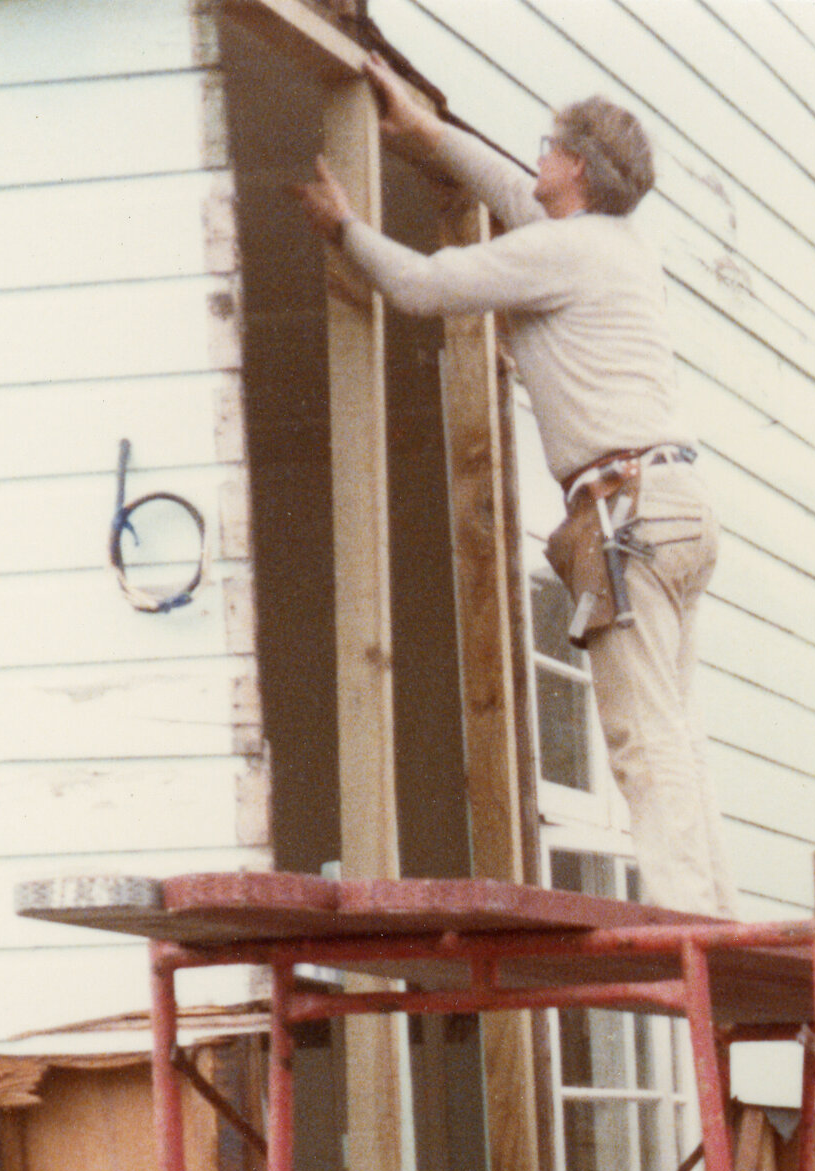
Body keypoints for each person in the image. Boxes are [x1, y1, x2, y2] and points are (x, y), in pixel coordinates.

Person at [295, 56, 737, 917]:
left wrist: (346, 227)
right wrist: (425, 134)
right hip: (674, 508)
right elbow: (510, 188)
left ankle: (696, 933)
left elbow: (423, 286)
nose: (535, 161)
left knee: (642, 739)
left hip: (630, 514)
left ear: (574, 167)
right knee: (674, 730)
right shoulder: (611, 244)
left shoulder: (562, 250)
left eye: (547, 149)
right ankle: (715, 917)